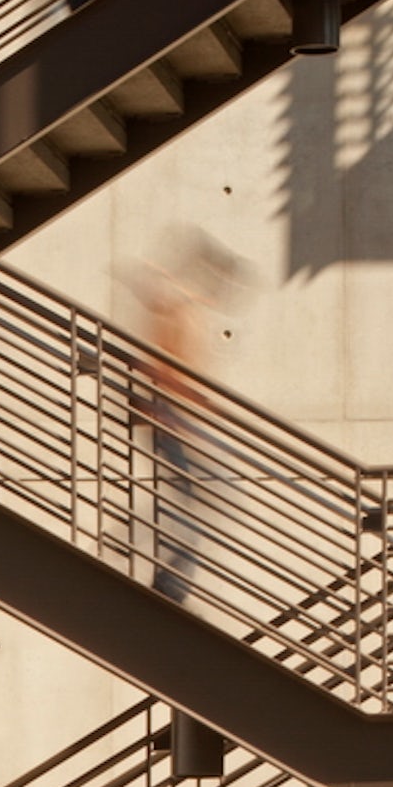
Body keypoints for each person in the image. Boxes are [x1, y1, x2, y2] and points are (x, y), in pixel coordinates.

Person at [130, 235, 246, 605]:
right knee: (199, 499)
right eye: (221, 282)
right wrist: (191, 401)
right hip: (174, 419)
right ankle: (169, 588)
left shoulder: (183, 308)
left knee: (197, 499)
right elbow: (164, 366)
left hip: (178, 416)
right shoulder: (177, 311)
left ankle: (165, 578)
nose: (223, 292)